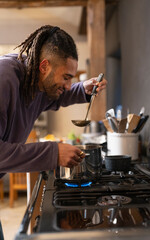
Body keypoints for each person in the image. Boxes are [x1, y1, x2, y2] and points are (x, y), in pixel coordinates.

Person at [0, 25, 107, 179]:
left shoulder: (36, 81)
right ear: (44, 66)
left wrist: (83, 89)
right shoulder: (4, 78)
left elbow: (54, 96)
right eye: (66, 77)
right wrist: (53, 153)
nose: (69, 85)